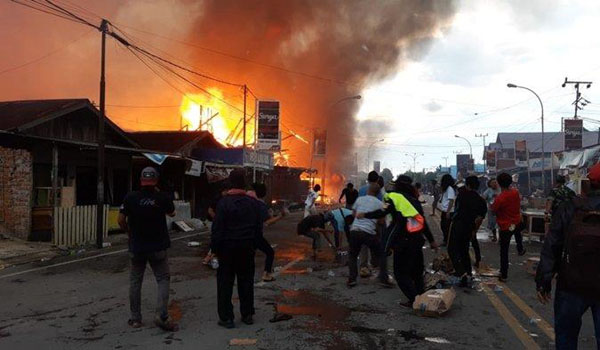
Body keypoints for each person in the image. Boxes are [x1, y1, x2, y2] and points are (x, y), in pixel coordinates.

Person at [536, 163, 600, 350]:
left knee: (566, 338)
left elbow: (552, 244)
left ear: (589, 183)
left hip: (571, 284)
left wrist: (544, 280)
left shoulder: (571, 207)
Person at [360, 175, 438, 306]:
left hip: (403, 242)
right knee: (417, 272)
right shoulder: (415, 200)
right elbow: (422, 222)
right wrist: (431, 240)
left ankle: (417, 301)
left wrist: (365, 215)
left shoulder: (394, 197)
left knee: (400, 273)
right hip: (417, 240)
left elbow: (381, 212)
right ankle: (420, 297)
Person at [118, 167, 177, 331]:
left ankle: (136, 319)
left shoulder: (131, 198)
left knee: (136, 281)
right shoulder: (162, 197)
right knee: (163, 279)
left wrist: (129, 233)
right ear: (156, 181)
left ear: (141, 181)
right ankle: (161, 315)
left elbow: (120, 220)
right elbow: (172, 213)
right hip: (158, 247)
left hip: (137, 246)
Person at [211, 169, 262, 328]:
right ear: (244, 183)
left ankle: (226, 318)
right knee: (246, 281)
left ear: (230, 183)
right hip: (246, 248)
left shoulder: (223, 203)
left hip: (227, 249)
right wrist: (254, 245)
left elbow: (217, 229)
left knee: (225, 283)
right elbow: (258, 228)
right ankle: (247, 315)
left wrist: (214, 250)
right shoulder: (253, 203)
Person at [448, 176, 487, 286]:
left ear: (468, 185)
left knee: (452, 249)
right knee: (464, 249)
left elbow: (456, 211)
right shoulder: (480, 200)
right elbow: (480, 218)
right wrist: (474, 230)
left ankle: (461, 272)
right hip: (469, 227)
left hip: (458, 225)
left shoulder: (462, 195)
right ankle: (468, 272)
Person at [346, 183, 384, 287]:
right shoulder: (380, 203)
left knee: (353, 255)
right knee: (381, 254)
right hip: (369, 233)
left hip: (355, 231)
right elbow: (381, 221)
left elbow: (354, 214)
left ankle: (352, 279)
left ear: (368, 191)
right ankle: (384, 277)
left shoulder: (360, 199)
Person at [491, 172, 526, 282]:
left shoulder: (500, 198)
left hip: (506, 226)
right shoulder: (515, 193)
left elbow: (493, 210)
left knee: (504, 251)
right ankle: (520, 249)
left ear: (499, 184)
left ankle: (504, 274)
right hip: (516, 222)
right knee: (517, 233)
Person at [249, 183, 281, 283]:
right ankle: (266, 274)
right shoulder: (261, 206)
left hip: (247, 233)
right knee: (270, 252)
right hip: (256, 235)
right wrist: (281, 216)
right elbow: (267, 222)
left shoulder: (250, 203)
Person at [438, 174, 456, 245]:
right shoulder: (446, 189)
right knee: (443, 226)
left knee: (446, 227)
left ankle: (448, 241)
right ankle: (446, 240)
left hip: (448, 211)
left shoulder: (450, 189)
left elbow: (451, 201)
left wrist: (448, 212)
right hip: (444, 211)